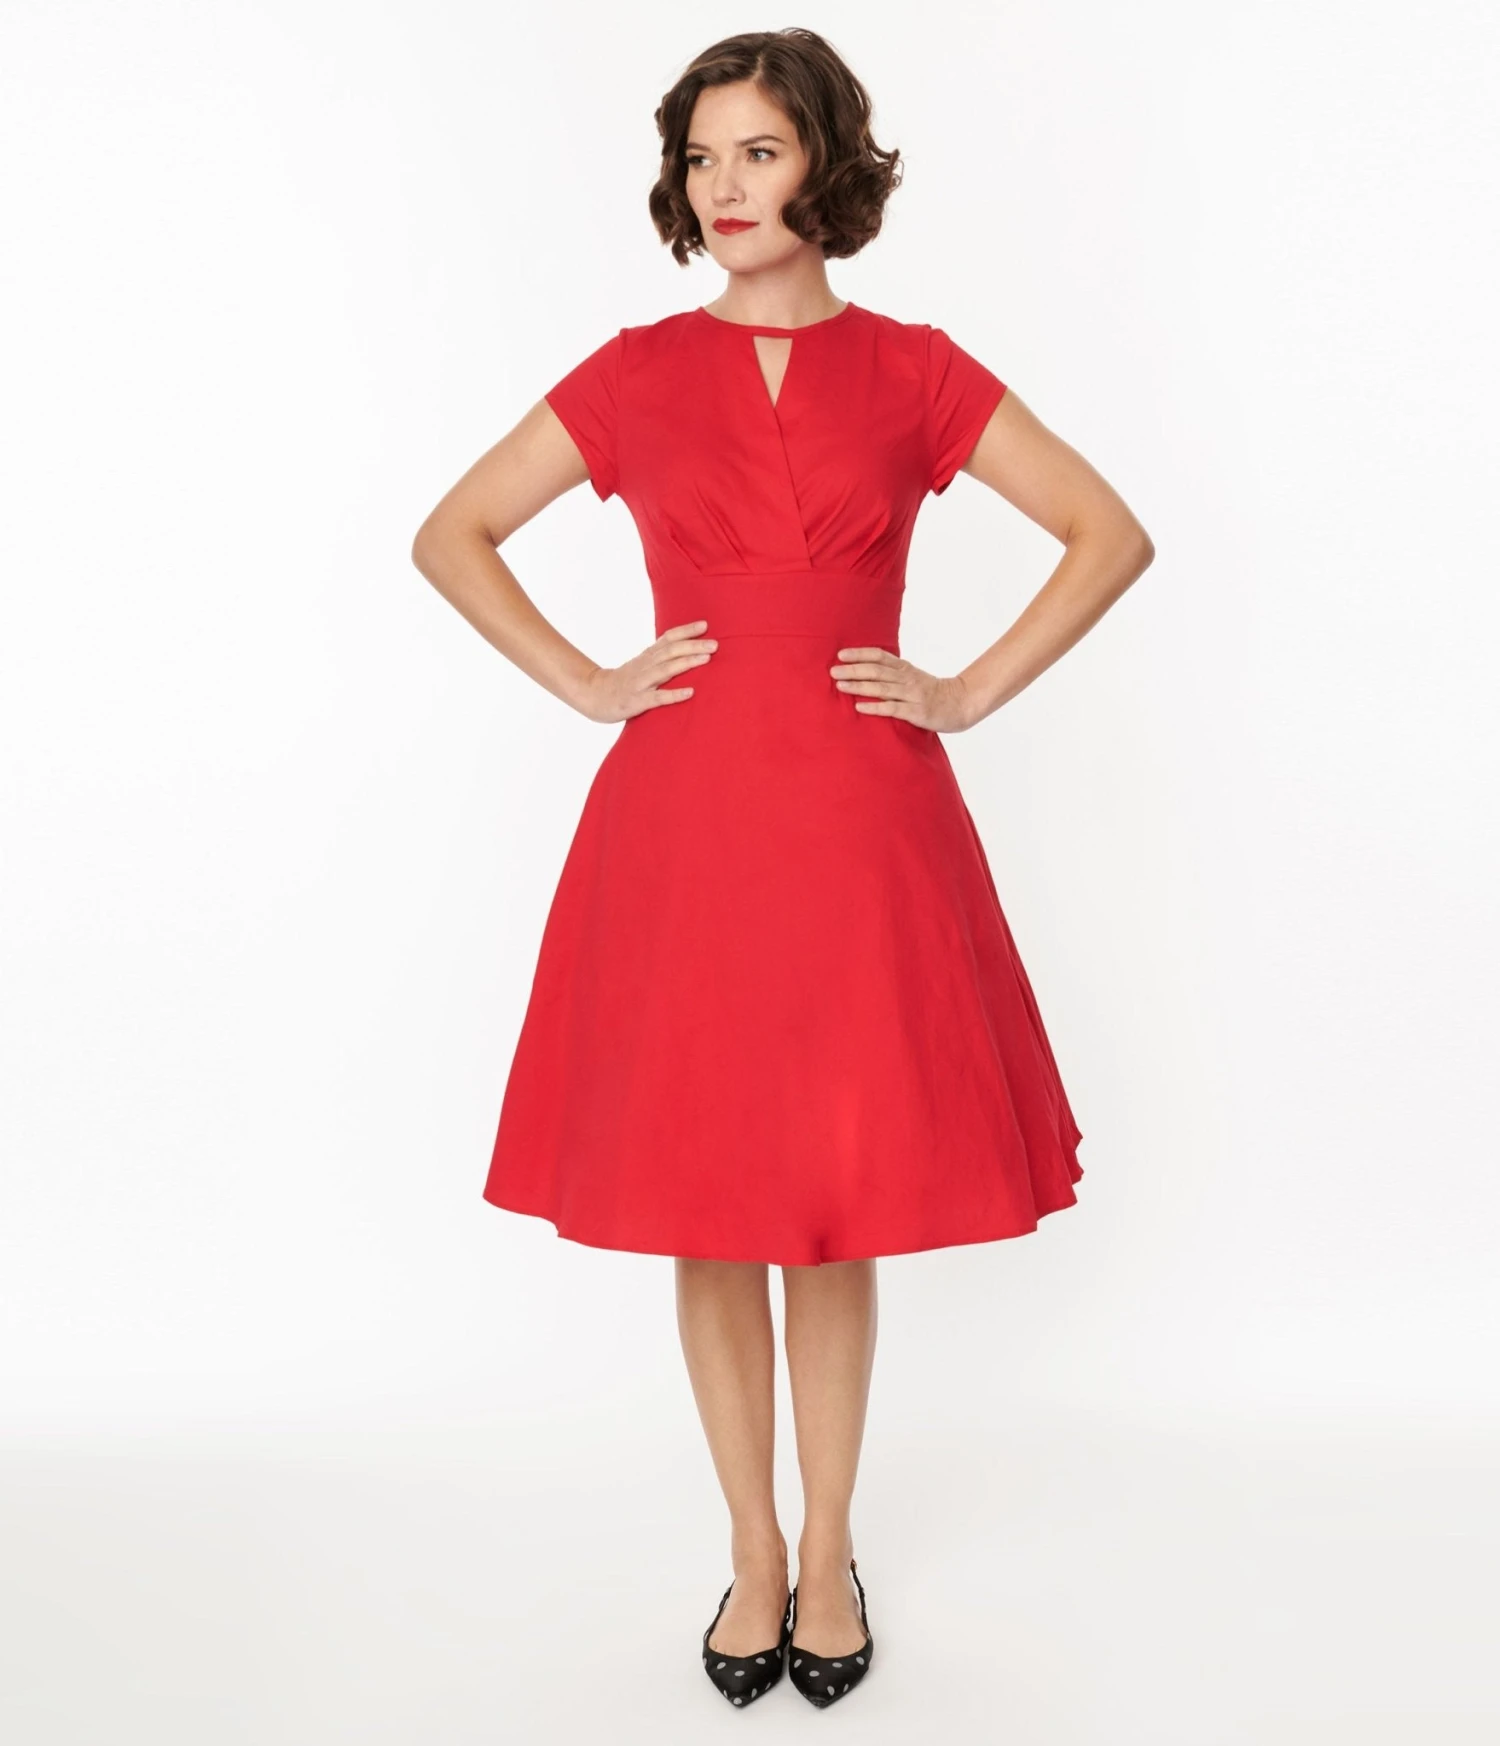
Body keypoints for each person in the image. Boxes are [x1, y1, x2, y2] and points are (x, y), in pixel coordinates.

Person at [410, 26, 1153, 1710]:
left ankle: (829, 1551)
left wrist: (964, 688)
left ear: (827, 161)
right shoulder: (632, 374)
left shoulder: (916, 370)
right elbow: (451, 532)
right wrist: (588, 679)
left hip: (863, 819)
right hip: (684, 826)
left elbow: (1108, 531)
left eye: (758, 150)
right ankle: (751, 1546)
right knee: (707, 1194)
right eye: (701, 158)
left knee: (829, 1206)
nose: (724, 187)